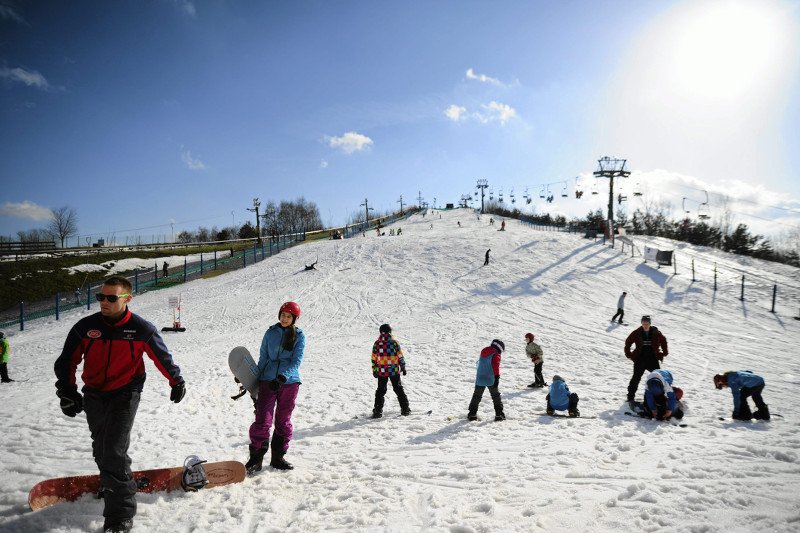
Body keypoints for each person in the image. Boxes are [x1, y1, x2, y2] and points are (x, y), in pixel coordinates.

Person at [53, 276, 185, 533]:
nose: (104, 302)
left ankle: (120, 516)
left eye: (111, 298)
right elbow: (67, 360)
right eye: (100, 297)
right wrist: (67, 392)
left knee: (113, 449)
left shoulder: (141, 329)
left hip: (126, 392)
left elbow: (162, 357)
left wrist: (176, 381)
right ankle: (112, 480)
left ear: (127, 299)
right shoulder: (86, 327)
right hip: (94, 393)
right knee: (101, 447)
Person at [247, 301, 306, 474]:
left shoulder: (299, 335)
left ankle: (278, 458)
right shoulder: (270, 333)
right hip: (268, 381)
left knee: (283, 420)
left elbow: (296, 361)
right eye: (283, 315)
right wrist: (253, 377)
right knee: (262, 420)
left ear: (294, 319)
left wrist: (282, 377)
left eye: (288, 316)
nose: (285, 319)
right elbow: (263, 357)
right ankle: (255, 459)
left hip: (289, 383)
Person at [624, 315, 668, 406]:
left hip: (652, 358)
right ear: (641, 323)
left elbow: (663, 340)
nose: (645, 325)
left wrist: (665, 351)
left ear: (650, 323)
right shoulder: (637, 332)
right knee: (636, 378)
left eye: (647, 324)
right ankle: (630, 397)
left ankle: (660, 397)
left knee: (659, 377)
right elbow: (628, 342)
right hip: (640, 358)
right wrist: (628, 354)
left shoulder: (655, 332)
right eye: (643, 324)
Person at [370, 324, 410, 418]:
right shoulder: (394, 343)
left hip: (382, 371)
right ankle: (405, 409)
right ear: (390, 331)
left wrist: (375, 370)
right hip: (393, 370)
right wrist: (403, 366)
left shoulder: (377, 343)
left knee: (380, 390)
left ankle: (377, 411)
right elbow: (400, 356)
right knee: (398, 389)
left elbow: (374, 358)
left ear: (380, 332)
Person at [467, 339, 505, 421]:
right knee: (495, 396)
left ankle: (472, 414)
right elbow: (496, 366)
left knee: (477, 396)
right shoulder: (496, 354)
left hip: (480, 377)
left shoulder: (484, 351)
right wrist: (497, 377)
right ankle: (499, 414)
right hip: (491, 379)